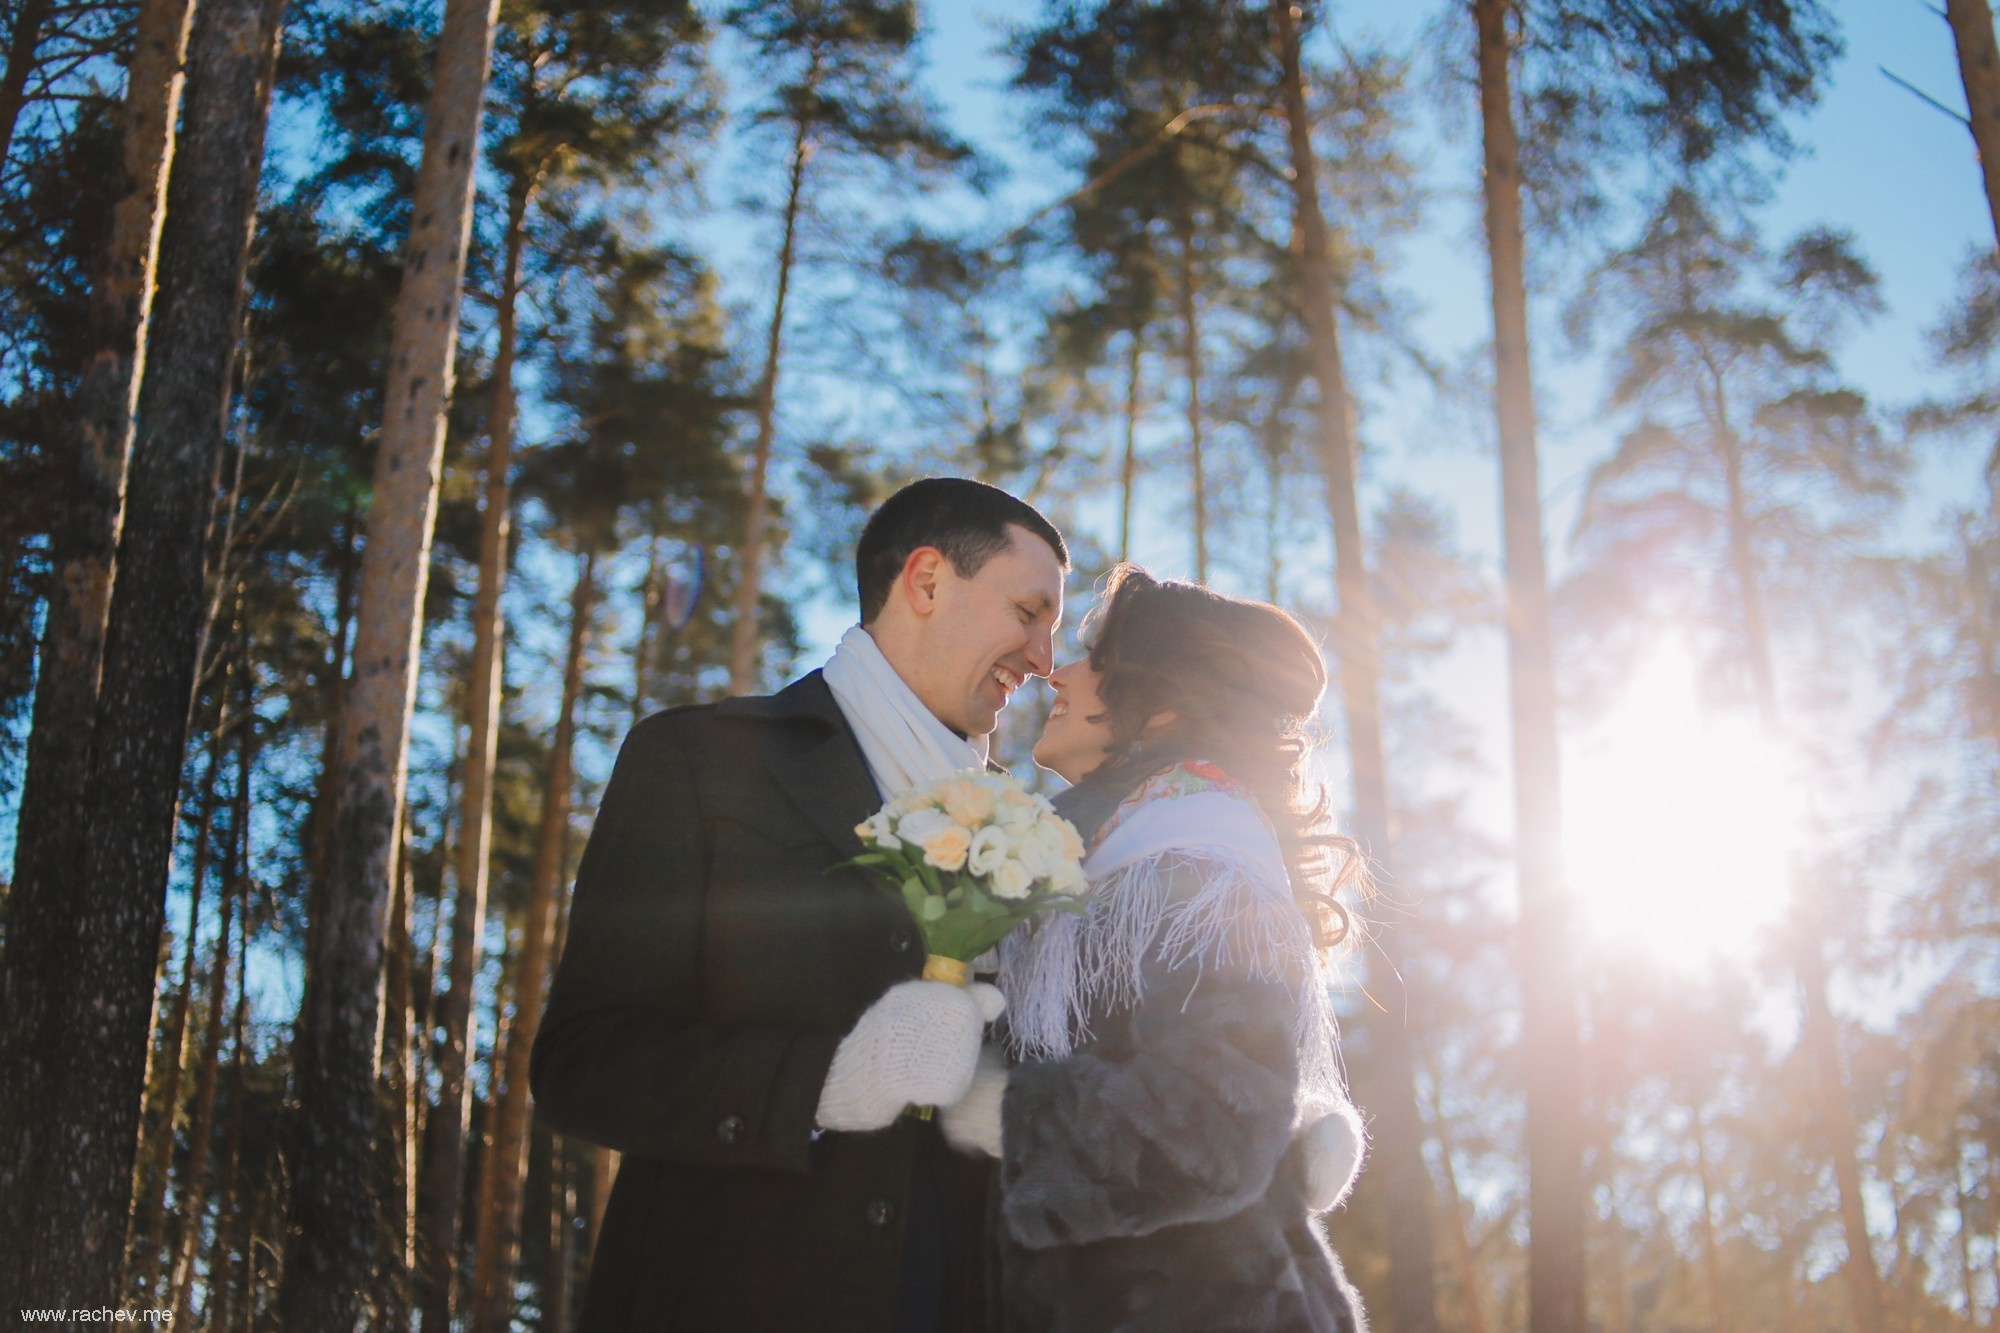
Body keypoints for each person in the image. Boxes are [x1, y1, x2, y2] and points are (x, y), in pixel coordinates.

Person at [530, 477, 1068, 1331]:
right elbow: (585, 1065)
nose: (1043, 657)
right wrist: (829, 1080)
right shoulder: (700, 761)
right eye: (1030, 611)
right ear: (926, 582)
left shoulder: (1029, 831)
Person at [935, 565, 1370, 1332]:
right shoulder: (1112, 857)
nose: (1056, 673)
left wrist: (1000, 1110)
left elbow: (1214, 1125)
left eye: (1092, 658)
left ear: (1160, 701)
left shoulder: (1196, 869)